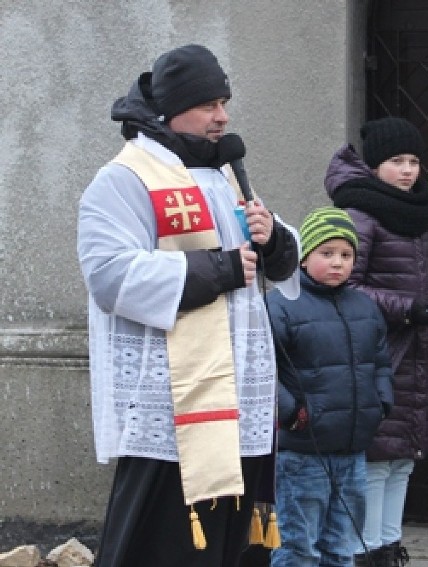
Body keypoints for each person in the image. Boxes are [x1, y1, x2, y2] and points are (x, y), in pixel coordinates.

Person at [77, 44, 299, 567]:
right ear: (172, 109)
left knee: (230, 548)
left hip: (236, 401)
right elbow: (110, 275)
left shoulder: (222, 175)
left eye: (225, 102)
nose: (222, 115)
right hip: (174, 411)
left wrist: (273, 242)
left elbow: (281, 260)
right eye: (208, 104)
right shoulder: (125, 179)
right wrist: (219, 270)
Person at [325, 117, 428, 567]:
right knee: (376, 464)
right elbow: (345, 286)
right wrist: (405, 308)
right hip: (377, 356)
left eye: (414, 161)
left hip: (417, 355)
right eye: (397, 160)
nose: (407, 170)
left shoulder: (419, 212)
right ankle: (364, 554)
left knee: (403, 461)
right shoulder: (361, 211)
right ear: (376, 165)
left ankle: (388, 550)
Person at [267, 206, 395, 567]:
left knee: (341, 545)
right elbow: (261, 368)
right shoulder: (281, 305)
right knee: (299, 546)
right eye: (327, 253)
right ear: (305, 257)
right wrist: (291, 412)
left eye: (346, 254)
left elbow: (380, 361)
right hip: (301, 452)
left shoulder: (365, 307)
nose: (337, 262)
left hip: (351, 451)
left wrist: (381, 401)